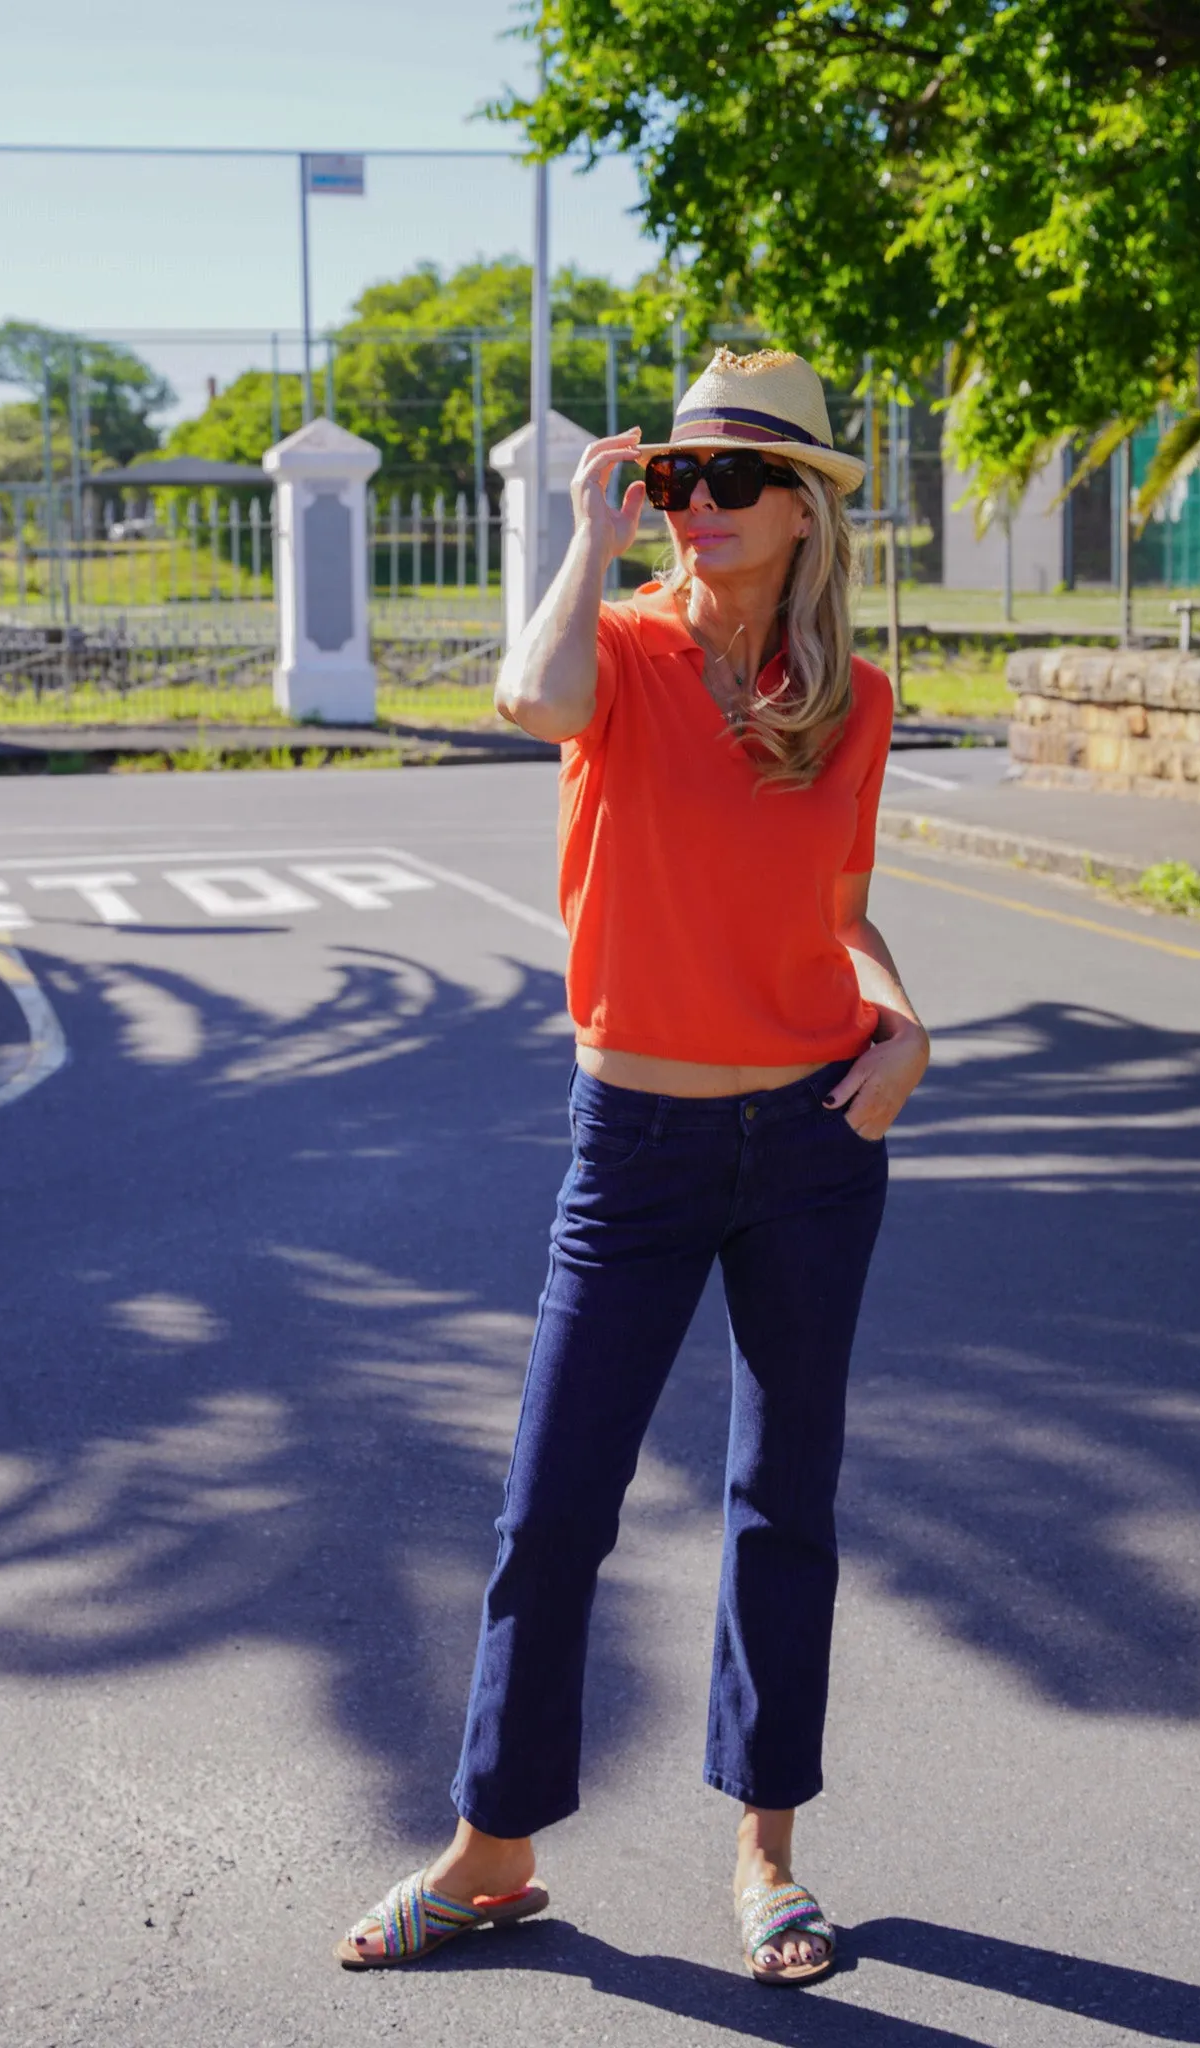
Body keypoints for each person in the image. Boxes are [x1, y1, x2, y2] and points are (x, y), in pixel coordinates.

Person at [335, 348, 930, 1986]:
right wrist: (587, 535)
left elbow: (843, 916)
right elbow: (526, 704)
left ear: (807, 511)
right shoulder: (619, 647)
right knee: (552, 1509)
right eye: (682, 474)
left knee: (780, 1503)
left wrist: (904, 1027)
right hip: (640, 1141)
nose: (704, 503)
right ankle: (493, 1852)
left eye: (739, 478)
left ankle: (766, 1854)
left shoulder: (854, 702)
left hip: (814, 1137)